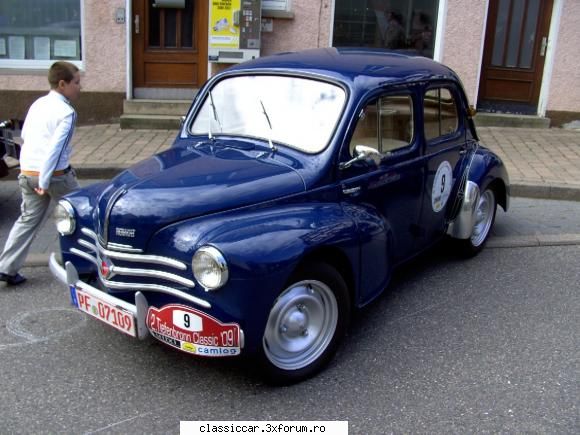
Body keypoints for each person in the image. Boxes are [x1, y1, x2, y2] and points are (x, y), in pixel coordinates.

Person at [0, 61, 81, 286]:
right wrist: (44, 181)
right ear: (62, 84)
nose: (80, 87)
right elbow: (55, 150)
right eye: (76, 82)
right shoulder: (67, 112)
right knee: (80, 215)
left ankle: (7, 268)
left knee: (27, 220)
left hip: (28, 172)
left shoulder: (38, 104)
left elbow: (25, 135)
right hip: (55, 176)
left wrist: (30, 172)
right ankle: (83, 266)